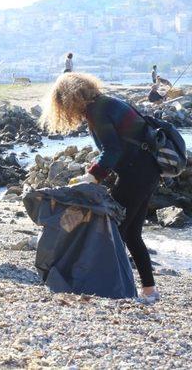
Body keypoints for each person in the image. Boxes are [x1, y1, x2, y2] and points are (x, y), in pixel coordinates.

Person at [40, 72, 161, 304]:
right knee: (132, 234)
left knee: (112, 231)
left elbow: (113, 149)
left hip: (136, 173)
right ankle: (149, 291)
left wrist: (92, 177)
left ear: (69, 98)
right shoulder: (107, 103)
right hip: (148, 172)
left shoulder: (97, 110)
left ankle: (114, 288)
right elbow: (119, 146)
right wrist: (96, 169)